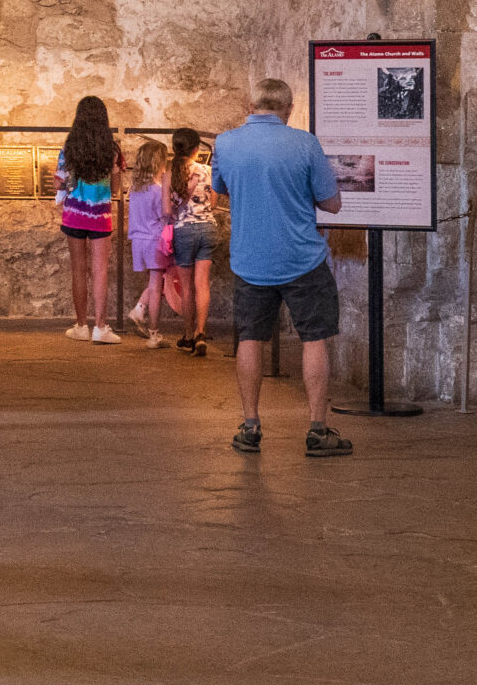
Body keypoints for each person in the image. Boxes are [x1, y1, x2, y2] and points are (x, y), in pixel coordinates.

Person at [215, 79, 352, 458]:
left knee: (249, 339)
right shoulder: (305, 144)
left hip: (250, 260)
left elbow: (221, 188)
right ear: (288, 109)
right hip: (301, 259)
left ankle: (250, 427)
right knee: (314, 338)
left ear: (251, 105)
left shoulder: (225, 143)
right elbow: (332, 203)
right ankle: (317, 430)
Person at [56, 96, 122, 344]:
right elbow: (116, 188)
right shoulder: (112, 149)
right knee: (100, 270)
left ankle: (81, 325)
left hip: (74, 214)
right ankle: (101, 327)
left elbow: (60, 182)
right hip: (100, 216)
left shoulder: (70, 147)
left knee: (78, 270)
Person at [167, 126, 218, 355]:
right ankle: (200, 333)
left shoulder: (171, 173)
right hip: (208, 227)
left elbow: (166, 209)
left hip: (184, 230)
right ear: (197, 149)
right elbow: (213, 203)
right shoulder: (207, 170)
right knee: (202, 284)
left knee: (186, 287)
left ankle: (188, 335)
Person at [126, 139, 172, 346]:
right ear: (159, 163)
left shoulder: (135, 190)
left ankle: (139, 309)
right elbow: (164, 216)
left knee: (154, 282)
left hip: (138, 240)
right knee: (156, 286)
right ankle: (154, 333)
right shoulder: (158, 190)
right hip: (154, 240)